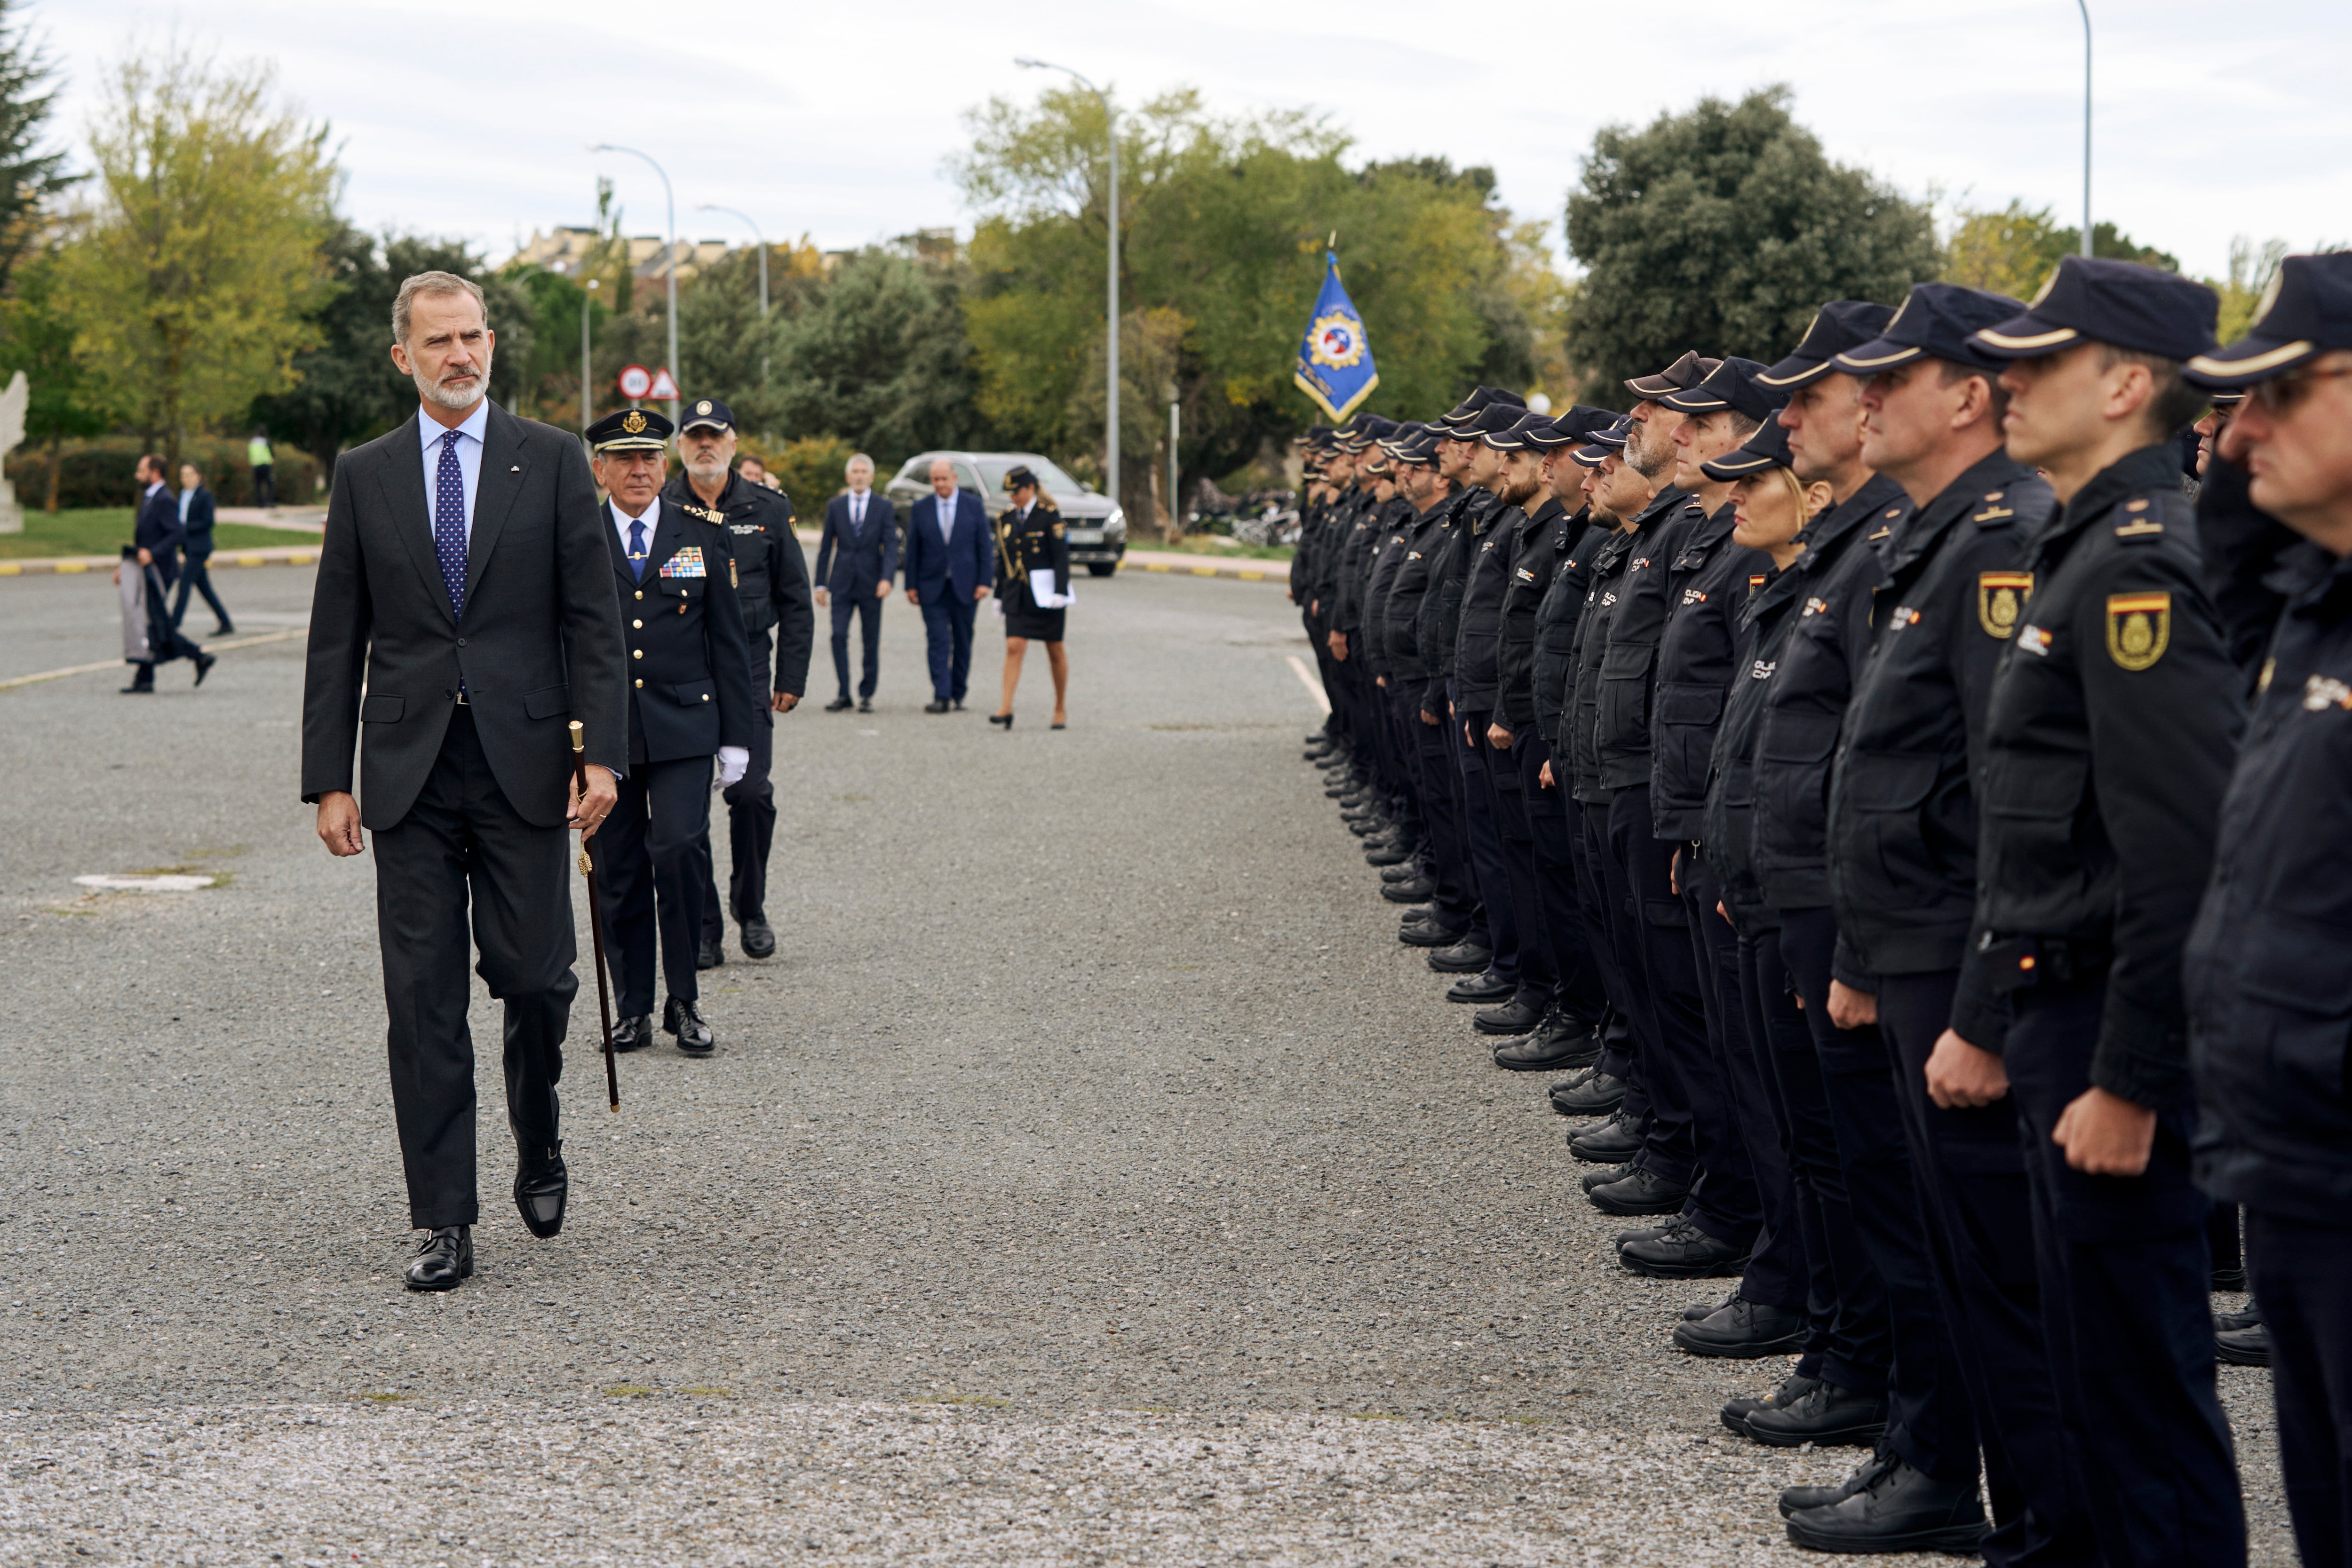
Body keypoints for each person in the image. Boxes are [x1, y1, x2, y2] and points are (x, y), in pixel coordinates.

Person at [1946, 253, 2247, 1568]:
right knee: (2084, 1358)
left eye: (2040, 362)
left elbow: (2180, 855)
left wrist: (2130, 1076)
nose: (2006, 381)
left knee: (2139, 1382)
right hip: (2051, 1002)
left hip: (2106, 1020)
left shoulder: (2138, 569)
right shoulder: (2077, 544)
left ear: (2127, 384)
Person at [300, 269, 628, 1292]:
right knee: (422, 1000)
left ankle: (539, 1128)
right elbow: (336, 636)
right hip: (406, 776)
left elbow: (593, 620)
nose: (461, 355)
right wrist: (328, 778)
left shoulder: (553, 460)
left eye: (474, 337)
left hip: (526, 767)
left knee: (536, 977)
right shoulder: (367, 473)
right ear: (403, 354)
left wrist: (604, 752)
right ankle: (444, 1214)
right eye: (439, 341)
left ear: (492, 345)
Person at [1808, 282, 2068, 1556]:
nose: (1863, 398)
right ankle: (1961, 1484)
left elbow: (2013, 802)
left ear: (1966, 394)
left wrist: (1978, 1005)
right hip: (1905, 950)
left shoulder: (2004, 541)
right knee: (1958, 1262)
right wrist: (1865, 952)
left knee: (2002, 1279)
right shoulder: (1939, 535)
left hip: (1961, 968)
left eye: (1890, 378)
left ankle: (2032, 1523)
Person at [2184, 249, 2352, 1568]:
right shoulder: (2311, 606)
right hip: (2291, 1154)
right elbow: (2227, 556)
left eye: (2279, 391)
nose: (2238, 433)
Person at [588, 405, 761, 1056]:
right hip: (609, 733)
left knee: (680, 849)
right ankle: (631, 1005)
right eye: (625, 459)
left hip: (687, 723)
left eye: (651, 457)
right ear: (600, 468)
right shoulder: (579, 534)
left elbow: (728, 639)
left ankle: (683, 999)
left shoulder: (702, 532)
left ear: (666, 464)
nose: (640, 469)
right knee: (618, 867)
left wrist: (736, 737)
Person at [661, 398, 813, 967]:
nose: (705, 445)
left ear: (732, 443)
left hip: (748, 666)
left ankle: (749, 907)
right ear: (680, 446)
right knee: (686, 804)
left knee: (751, 792)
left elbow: (796, 600)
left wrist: (789, 676)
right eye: (694, 436)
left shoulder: (767, 509)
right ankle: (703, 926)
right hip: (681, 670)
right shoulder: (660, 506)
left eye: (715, 436)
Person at [904, 456, 995, 713]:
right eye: (935, 480)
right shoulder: (921, 508)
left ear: (955, 478)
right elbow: (913, 550)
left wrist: (985, 582)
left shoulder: (973, 506)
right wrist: (911, 585)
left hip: (966, 586)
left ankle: (958, 693)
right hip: (931, 586)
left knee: (964, 640)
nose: (940, 484)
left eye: (944, 479)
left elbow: (984, 548)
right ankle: (941, 695)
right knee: (937, 640)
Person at [117, 454, 214, 693]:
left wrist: (153, 553)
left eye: (142, 471)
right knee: (151, 623)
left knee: (154, 623)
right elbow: (145, 538)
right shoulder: (150, 498)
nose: (137, 475)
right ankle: (152, 675)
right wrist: (126, 567)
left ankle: (192, 657)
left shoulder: (164, 500)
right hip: (147, 571)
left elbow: (177, 534)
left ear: (155, 473)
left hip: (161, 572)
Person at [988, 465, 1071, 729]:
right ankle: (1005, 707)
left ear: (1031, 488)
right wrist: (998, 596)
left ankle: (1060, 707)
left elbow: (1061, 558)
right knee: (1014, 646)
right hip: (1017, 593)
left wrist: (1060, 591)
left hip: (1046, 595)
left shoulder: (1049, 516)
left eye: (1018, 492)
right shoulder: (1006, 519)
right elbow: (1003, 561)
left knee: (1055, 649)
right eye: (1010, 493)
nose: (1014, 497)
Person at [813, 452, 898, 712]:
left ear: (871, 477)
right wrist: (820, 583)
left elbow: (891, 546)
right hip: (842, 581)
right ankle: (843, 692)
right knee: (838, 635)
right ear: (848, 476)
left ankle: (866, 694)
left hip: (872, 582)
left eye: (864, 472)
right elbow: (826, 546)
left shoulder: (883, 507)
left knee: (870, 639)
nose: (859, 477)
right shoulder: (836, 506)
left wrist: (887, 578)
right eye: (855, 472)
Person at [170, 461, 233, 635]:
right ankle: (226, 623)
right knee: (204, 587)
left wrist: (185, 528)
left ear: (198, 476)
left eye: (189, 475)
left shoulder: (205, 496)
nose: (186, 479)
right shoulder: (182, 496)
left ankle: (173, 626)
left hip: (200, 547)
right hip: (188, 547)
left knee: (184, 584)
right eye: (183, 475)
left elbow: (208, 522)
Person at [248, 428, 276, 509]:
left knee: (259, 485)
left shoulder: (252, 441)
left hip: (256, 465)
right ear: (265, 432)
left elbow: (250, 453)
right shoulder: (267, 441)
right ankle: (269, 502)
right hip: (266, 464)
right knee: (270, 484)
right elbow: (272, 453)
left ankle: (260, 503)